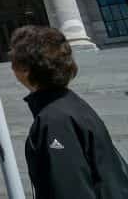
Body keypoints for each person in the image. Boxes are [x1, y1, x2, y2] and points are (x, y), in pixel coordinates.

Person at [9, 25, 128, 198]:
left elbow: (69, 189)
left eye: (13, 59)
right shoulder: (69, 104)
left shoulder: (55, 121)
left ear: (25, 69)